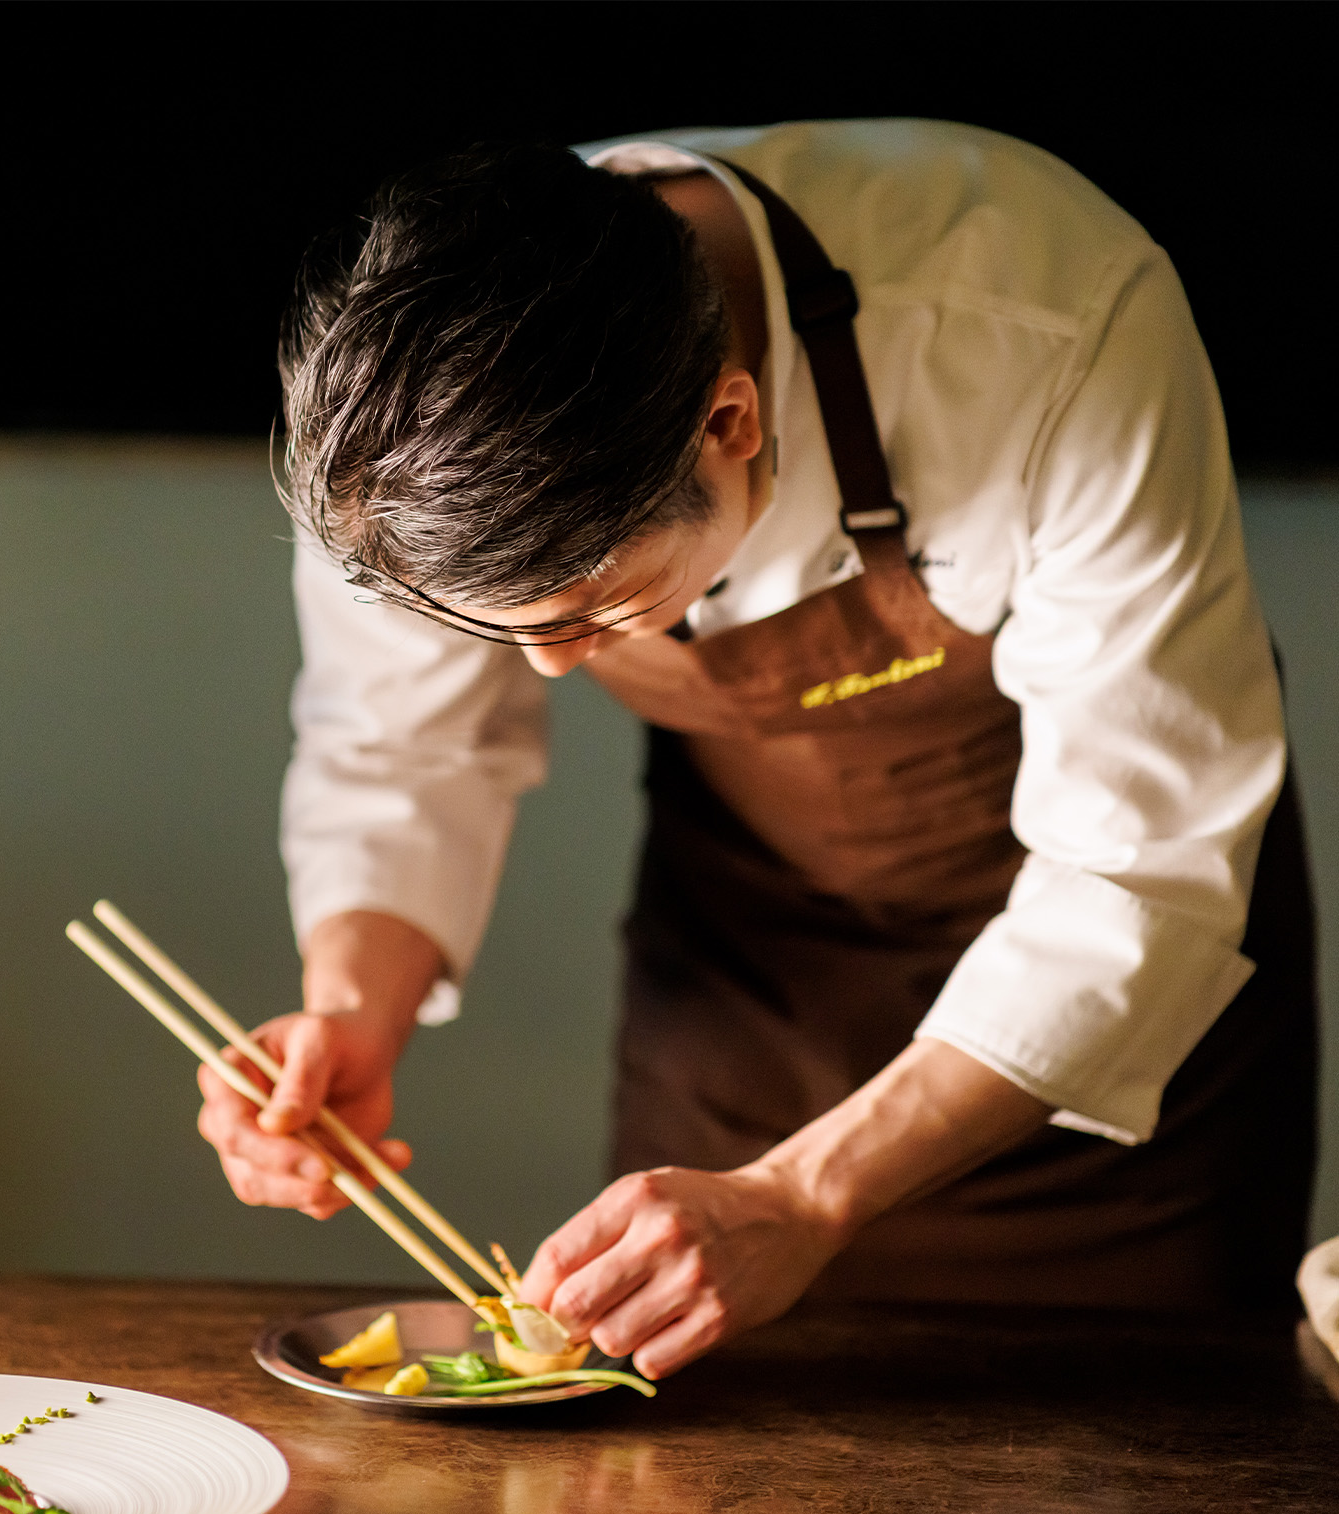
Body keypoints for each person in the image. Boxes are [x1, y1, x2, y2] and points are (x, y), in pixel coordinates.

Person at [194, 121, 1316, 1380]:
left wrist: (811, 1195)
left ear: (729, 420)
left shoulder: (1046, 319)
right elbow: (403, 744)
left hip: (1113, 1088)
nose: (550, 670)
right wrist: (354, 1009)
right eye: (497, 631)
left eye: (588, 617)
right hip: (749, 1003)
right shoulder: (401, 417)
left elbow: (1139, 865)